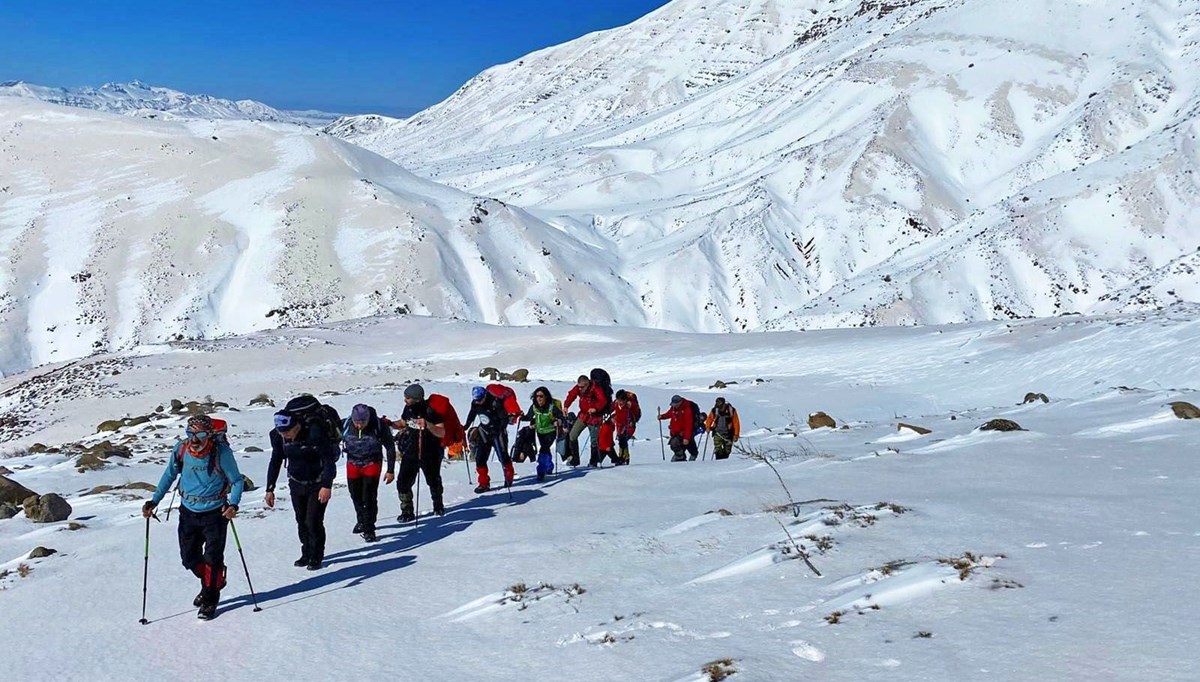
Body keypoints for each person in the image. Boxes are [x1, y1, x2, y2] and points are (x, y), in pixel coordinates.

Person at [142, 415, 244, 620]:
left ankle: (209, 598)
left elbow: (237, 480)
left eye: (201, 434)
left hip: (216, 513)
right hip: (188, 511)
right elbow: (169, 475)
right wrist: (154, 501)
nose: (195, 439)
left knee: (212, 559)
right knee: (189, 558)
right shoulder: (181, 449)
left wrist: (233, 504)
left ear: (210, 435)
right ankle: (213, 581)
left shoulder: (221, 453)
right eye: (191, 433)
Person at [265, 407, 339, 571]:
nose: (285, 435)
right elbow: (275, 461)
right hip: (296, 482)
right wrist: (270, 488)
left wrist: (327, 485)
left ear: (297, 425)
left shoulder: (314, 432)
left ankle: (316, 555)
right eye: (281, 432)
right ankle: (306, 552)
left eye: (287, 431)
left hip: (317, 483)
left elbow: (328, 461)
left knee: (313, 521)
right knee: (301, 519)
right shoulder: (279, 437)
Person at [386, 384, 447, 520]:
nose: (405, 399)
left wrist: (428, 425)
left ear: (417, 398)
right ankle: (407, 511)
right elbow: (403, 423)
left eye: (407, 397)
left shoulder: (431, 411)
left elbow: (442, 432)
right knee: (403, 482)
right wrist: (390, 423)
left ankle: (438, 506)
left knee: (433, 480)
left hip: (430, 451)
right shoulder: (408, 408)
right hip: (411, 450)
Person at [342, 403, 395, 542]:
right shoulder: (346, 425)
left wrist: (390, 470)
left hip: (372, 463)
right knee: (355, 495)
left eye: (363, 422)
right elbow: (332, 439)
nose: (359, 426)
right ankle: (361, 520)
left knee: (369, 496)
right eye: (357, 422)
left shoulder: (378, 426)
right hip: (352, 463)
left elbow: (389, 446)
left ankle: (369, 528)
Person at [463, 385, 514, 493]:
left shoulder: (496, 402)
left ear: (485, 395)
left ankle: (509, 475)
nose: (478, 402)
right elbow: (472, 414)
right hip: (484, 432)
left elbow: (504, 419)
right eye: (476, 400)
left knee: (503, 456)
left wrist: (499, 429)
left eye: (480, 399)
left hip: (498, 433)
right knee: (480, 458)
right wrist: (466, 426)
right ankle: (483, 483)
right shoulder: (475, 403)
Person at [562, 374, 609, 467]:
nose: (580, 389)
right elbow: (572, 395)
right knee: (572, 435)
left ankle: (593, 461)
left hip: (595, 417)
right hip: (583, 415)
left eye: (582, 387)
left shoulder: (596, 388)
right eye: (579, 387)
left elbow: (603, 401)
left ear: (587, 384)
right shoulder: (579, 388)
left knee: (594, 440)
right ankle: (575, 460)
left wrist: (595, 408)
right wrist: (566, 406)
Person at [522, 386, 564, 481]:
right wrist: (521, 417)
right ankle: (549, 466)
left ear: (546, 397)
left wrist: (558, 421)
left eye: (541, 396)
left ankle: (541, 471)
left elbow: (561, 416)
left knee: (543, 449)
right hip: (540, 432)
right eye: (537, 396)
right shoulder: (534, 407)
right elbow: (529, 417)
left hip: (550, 431)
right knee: (546, 449)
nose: (539, 398)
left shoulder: (551, 407)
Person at [658, 394, 699, 462]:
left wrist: (686, 438)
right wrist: (662, 416)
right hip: (677, 432)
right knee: (676, 444)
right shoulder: (674, 408)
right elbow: (669, 413)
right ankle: (681, 456)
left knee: (685, 444)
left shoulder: (687, 409)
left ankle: (684, 457)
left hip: (685, 433)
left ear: (679, 402)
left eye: (675, 404)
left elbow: (688, 425)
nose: (673, 406)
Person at [611, 390, 640, 465]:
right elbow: (610, 408)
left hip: (629, 425)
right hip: (619, 426)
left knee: (623, 439)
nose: (620, 402)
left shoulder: (630, 404)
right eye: (618, 400)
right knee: (621, 440)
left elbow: (636, 409)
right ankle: (623, 457)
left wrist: (631, 405)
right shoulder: (616, 403)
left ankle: (624, 457)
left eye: (621, 400)